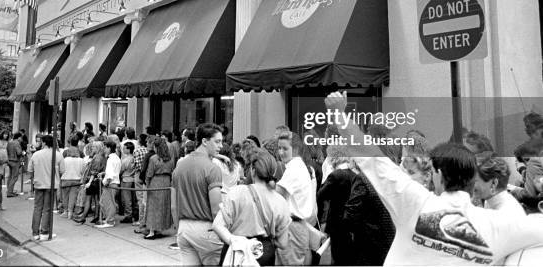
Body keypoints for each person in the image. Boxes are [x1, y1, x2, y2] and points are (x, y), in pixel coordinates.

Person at [324, 91, 543, 266]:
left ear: (437, 174)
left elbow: (370, 157)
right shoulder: (497, 224)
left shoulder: (415, 203)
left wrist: (339, 113)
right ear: (472, 180)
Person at [213, 150, 291, 266]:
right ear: (272, 172)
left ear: (252, 170)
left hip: (235, 252)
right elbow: (283, 243)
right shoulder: (280, 201)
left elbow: (217, 225)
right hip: (263, 254)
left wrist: (235, 241)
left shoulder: (237, 192)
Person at [172, 123, 224, 266]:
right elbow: (216, 209)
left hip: (184, 228)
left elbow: (173, 206)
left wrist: (179, 228)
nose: (221, 146)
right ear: (204, 141)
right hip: (206, 229)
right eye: (217, 141)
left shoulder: (180, 166)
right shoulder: (212, 169)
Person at [276, 131, 317, 266]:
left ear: (296, 149)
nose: (281, 152)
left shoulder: (294, 168)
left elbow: (277, 195)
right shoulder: (297, 166)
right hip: (297, 227)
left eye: (285, 148)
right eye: (279, 148)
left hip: (292, 229)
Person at [28, 135, 65, 241]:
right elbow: (62, 170)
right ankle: (44, 231)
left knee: (37, 208)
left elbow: (30, 170)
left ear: (44, 143)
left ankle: (35, 232)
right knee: (47, 209)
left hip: (39, 184)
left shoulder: (36, 154)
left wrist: (34, 178)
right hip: (51, 185)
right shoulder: (58, 155)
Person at [144, 137, 175, 239]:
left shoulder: (153, 159)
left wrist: (147, 184)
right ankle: (160, 228)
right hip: (166, 182)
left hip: (156, 182)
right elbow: (172, 171)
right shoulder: (170, 158)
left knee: (153, 207)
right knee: (163, 206)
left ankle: (152, 230)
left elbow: (149, 174)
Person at [96, 140, 120, 228]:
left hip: (110, 183)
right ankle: (109, 219)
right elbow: (114, 171)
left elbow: (110, 175)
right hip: (114, 183)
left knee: (108, 203)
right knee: (106, 202)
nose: (104, 149)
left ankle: (109, 221)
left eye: (105, 147)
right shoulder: (116, 157)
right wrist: (104, 174)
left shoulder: (110, 159)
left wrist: (105, 182)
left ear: (109, 148)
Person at [61, 137, 84, 219]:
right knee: (73, 197)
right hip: (76, 180)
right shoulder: (81, 160)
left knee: (65, 196)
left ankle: (65, 211)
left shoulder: (65, 159)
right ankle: (70, 212)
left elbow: (61, 169)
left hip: (66, 179)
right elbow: (82, 171)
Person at [120, 142, 137, 225]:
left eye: (124, 148)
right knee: (132, 199)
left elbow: (121, 170)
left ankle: (128, 215)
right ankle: (133, 214)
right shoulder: (134, 158)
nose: (123, 149)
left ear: (128, 149)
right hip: (133, 179)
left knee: (126, 199)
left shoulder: (126, 160)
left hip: (126, 179)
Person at [6, 132, 24, 197]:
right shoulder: (17, 143)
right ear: (18, 137)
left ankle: (9, 190)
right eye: (21, 137)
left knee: (10, 176)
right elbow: (19, 153)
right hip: (15, 161)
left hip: (9, 160)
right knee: (15, 177)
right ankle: (10, 192)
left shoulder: (10, 142)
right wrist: (23, 153)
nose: (22, 139)